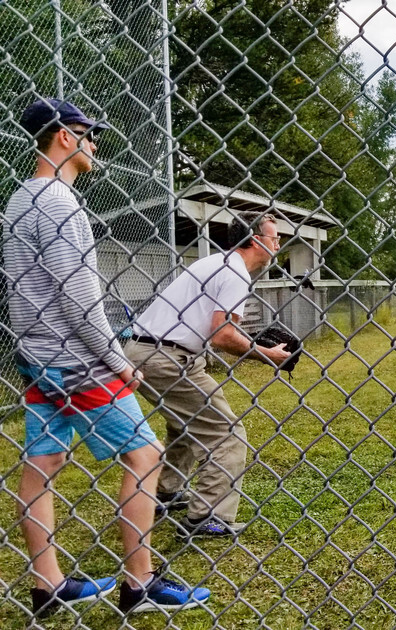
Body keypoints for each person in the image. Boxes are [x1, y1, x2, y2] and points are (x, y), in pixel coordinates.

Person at [4, 98, 209, 616]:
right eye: (87, 134)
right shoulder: (58, 203)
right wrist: (118, 361)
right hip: (78, 362)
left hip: (40, 360)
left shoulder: (19, 200)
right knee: (145, 456)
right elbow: (79, 298)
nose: (94, 145)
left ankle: (47, 585)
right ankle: (140, 585)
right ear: (65, 139)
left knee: (42, 464)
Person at [125, 211, 290, 540]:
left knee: (185, 423)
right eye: (274, 238)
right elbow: (223, 335)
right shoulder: (235, 273)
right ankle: (208, 517)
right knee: (226, 432)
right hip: (167, 356)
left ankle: (167, 491)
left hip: (148, 351)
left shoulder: (218, 262)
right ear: (257, 241)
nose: (278, 243)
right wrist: (267, 354)